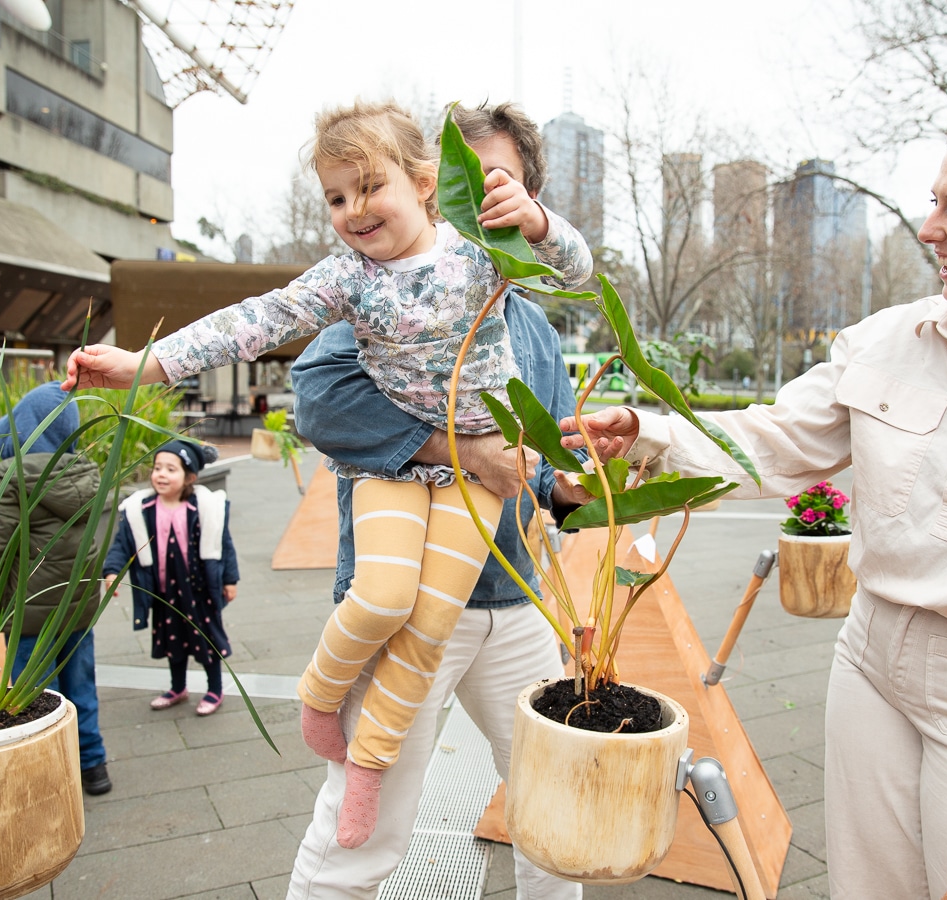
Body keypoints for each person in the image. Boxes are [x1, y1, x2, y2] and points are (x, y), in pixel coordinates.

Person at [563, 100, 947, 899]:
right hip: (871, 666)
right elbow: (772, 440)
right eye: (933, 202)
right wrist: (642, 431)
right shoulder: (891, 340)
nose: (928, 228)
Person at [67, 99, 592, 850]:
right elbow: (253, 327)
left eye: (366, 189)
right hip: (396, 490)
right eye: (337, 198)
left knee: (467, 690)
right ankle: (320, 697)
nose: (351, 211)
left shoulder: (494, 269)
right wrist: (141, 365)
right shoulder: (350, 281)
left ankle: (369, 768)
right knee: (384, 600)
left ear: (424, 188)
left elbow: (575, 281)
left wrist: (536, 227)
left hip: (505, 579)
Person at [285, 101, 587, 900]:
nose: (478, 204)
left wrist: (580, 482)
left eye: (498, 185)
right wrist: (472, 454)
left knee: (551, 813)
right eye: (461, 184)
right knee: (365, 831)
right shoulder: (386, 291)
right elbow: (317, 400)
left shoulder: (535, 328)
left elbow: (557, 472)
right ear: (428, 187)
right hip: (404, 599)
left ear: (527, 201)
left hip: (518, 601)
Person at [0, 381, 111, 795]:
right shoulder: (85, 473)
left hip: (28, 614)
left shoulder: (10, 479)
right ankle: (93, 765)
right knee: (81, 686)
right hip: (77, 609)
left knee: (36, 695)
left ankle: (49, 778)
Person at [103, 439, 239, 717]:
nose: (161, 474)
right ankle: (178, 687)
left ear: (189, 476)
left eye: (170, 469)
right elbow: (123, 544)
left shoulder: (205, 507)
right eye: (157, 468)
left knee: (206, 641)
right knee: (172, 642)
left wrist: (229, 579)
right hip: (163, 592)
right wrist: (111, 571)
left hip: (198, 591)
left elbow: (223, 544)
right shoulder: (140, 510)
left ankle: (215, 688)